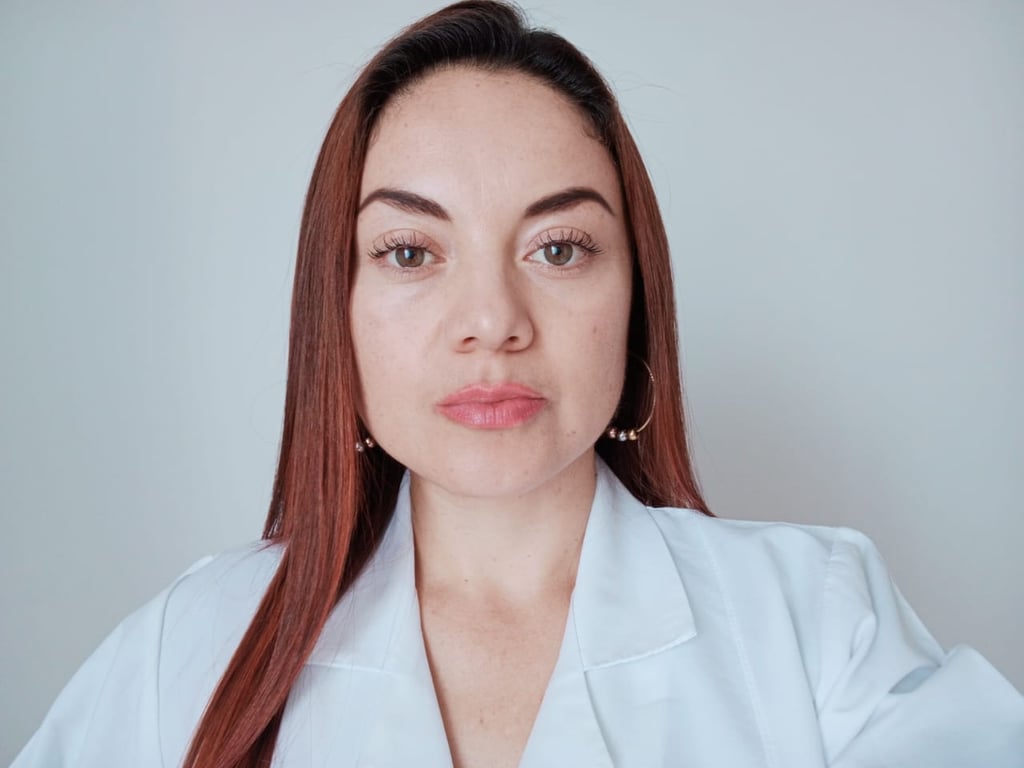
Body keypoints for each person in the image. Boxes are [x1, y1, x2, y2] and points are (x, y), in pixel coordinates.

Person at [12, 2, 1024, 766]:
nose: (492, 319)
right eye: (410, 252)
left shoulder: (815, 622)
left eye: (558, 247)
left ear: (637, 298)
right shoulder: (188, 650)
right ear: (338, 308)